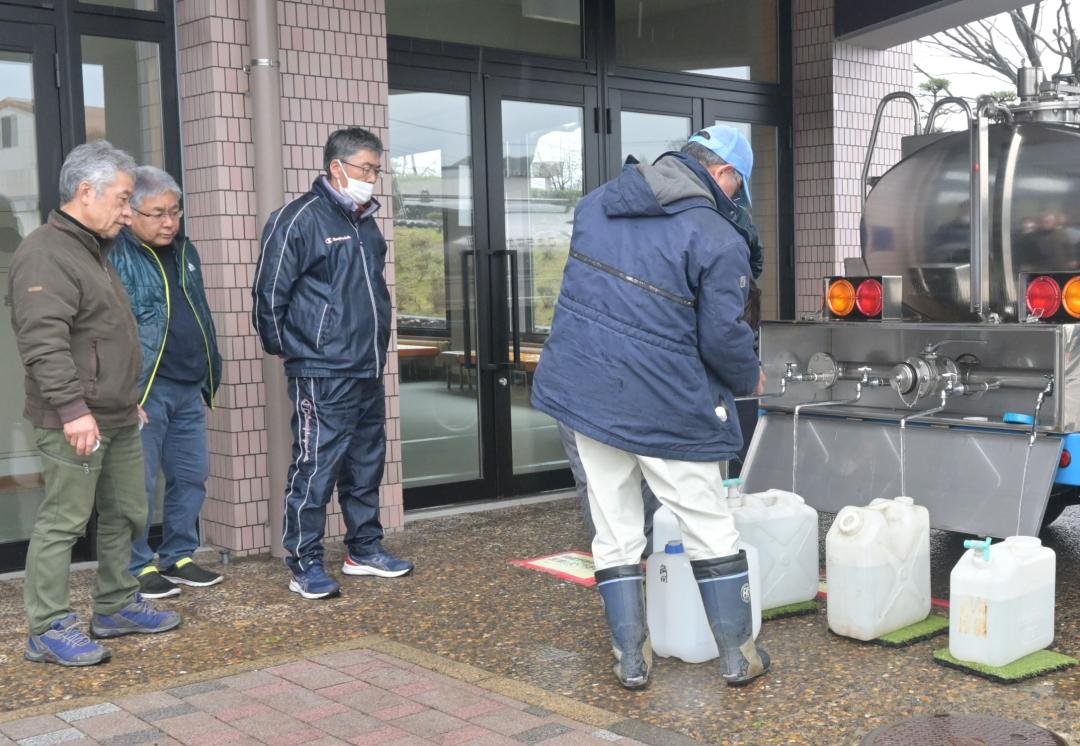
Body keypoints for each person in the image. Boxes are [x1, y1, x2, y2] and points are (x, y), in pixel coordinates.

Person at [532, 126, 769, 690]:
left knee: (614, 526)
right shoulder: (716, 235)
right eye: (738, 188)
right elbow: (722, 336)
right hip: (665, 400)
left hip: (587, 391)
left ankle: (631, 659)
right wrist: (749, 376)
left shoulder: (595, 206)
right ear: (725, 175)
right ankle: (738, 654)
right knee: (707, 523)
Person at [10, 141, 181, 667]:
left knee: (127, 511)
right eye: (124, 199)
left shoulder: (94, 250)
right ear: (86, 192)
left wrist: (125, 401)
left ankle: (113, 607)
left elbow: (103, 337)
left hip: (116, 413)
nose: (129, 213)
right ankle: (47, 627)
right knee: (63, 521)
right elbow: (43, 342)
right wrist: (73, 410)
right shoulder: (46, 251)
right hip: (74, 419)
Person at [252, 127, 412, 600]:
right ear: (336, 166)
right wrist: (297, 351)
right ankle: (304, 562)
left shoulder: (366, 223)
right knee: (316, 466)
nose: (372, 178)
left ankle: (364, 549)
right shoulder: (298, 218)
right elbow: (268, 291)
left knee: (366, 464)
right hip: (321, 370)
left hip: (365, 366)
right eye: (365, 169)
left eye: (377, 170)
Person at [111, 166, 224, 599]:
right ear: (131, 213)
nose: (168, 222)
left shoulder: (184, 250)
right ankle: (136, 566)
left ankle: (178, 555)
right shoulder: (115, 254)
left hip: (188, 384)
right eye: (157, 213)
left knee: (191, 476)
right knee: (136, 486)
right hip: (144, 389)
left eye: (174, 211)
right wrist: (122, 390)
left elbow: (198, 311)